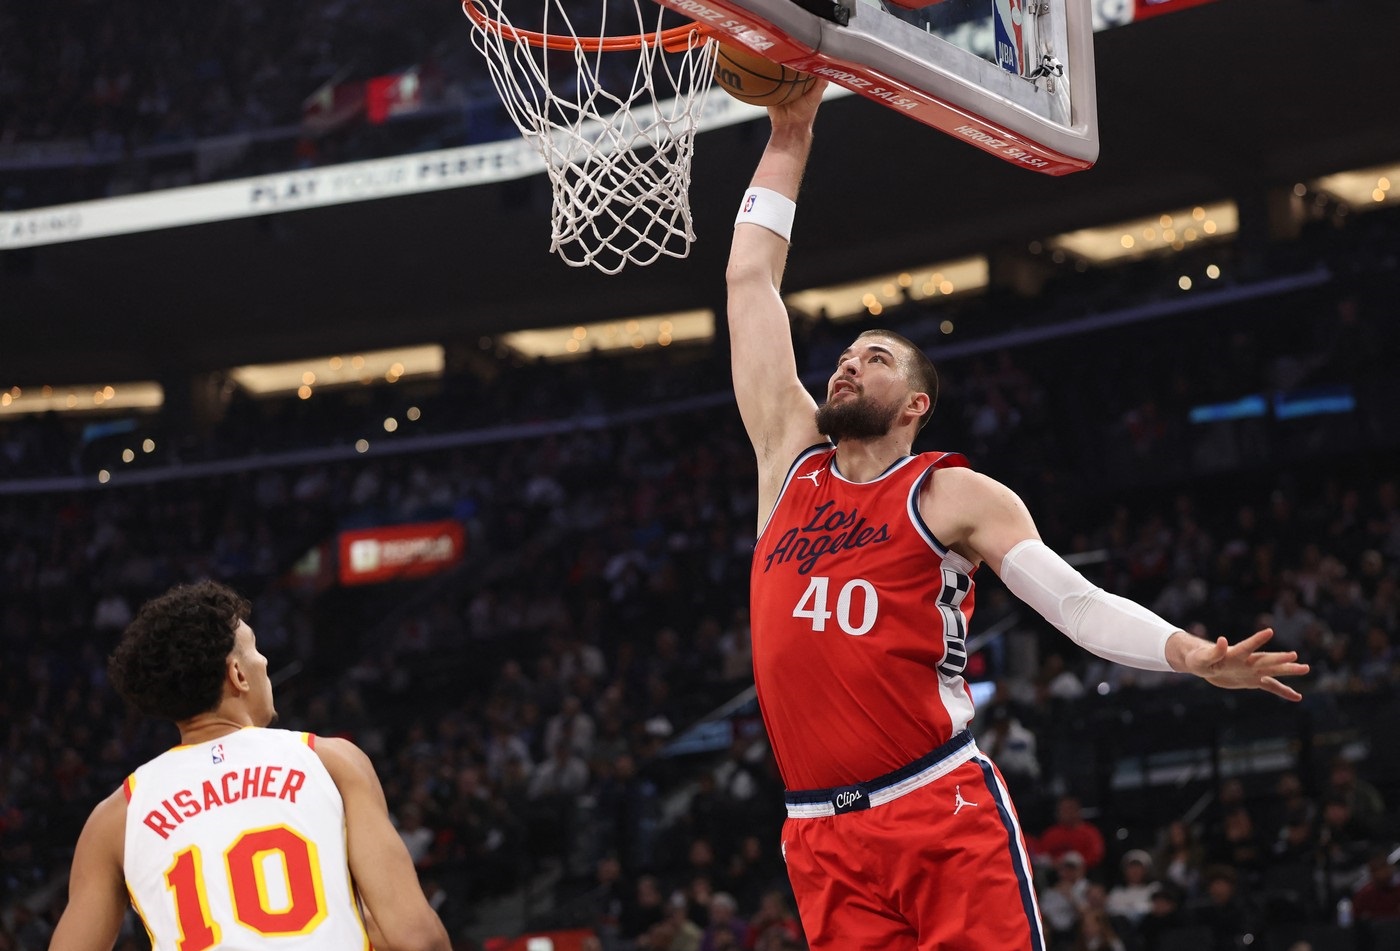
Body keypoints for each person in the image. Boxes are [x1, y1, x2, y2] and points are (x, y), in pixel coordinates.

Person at [726, 81, 1311, 950]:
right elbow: (749, 278)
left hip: (935, 806)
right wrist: (791, 130)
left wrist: (1188, 653)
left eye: (874, 359)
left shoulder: (948, 493)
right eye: (844, 356)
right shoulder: (790, 461)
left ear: (916, 403)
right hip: (818, 834)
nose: (847, 367)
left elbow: (1072, 602)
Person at [49, 580, 450, 951]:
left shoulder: (115, 817)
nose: (264, 661)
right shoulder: (331, 760)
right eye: (255, 647)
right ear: (237, 673)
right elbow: (418, 939)